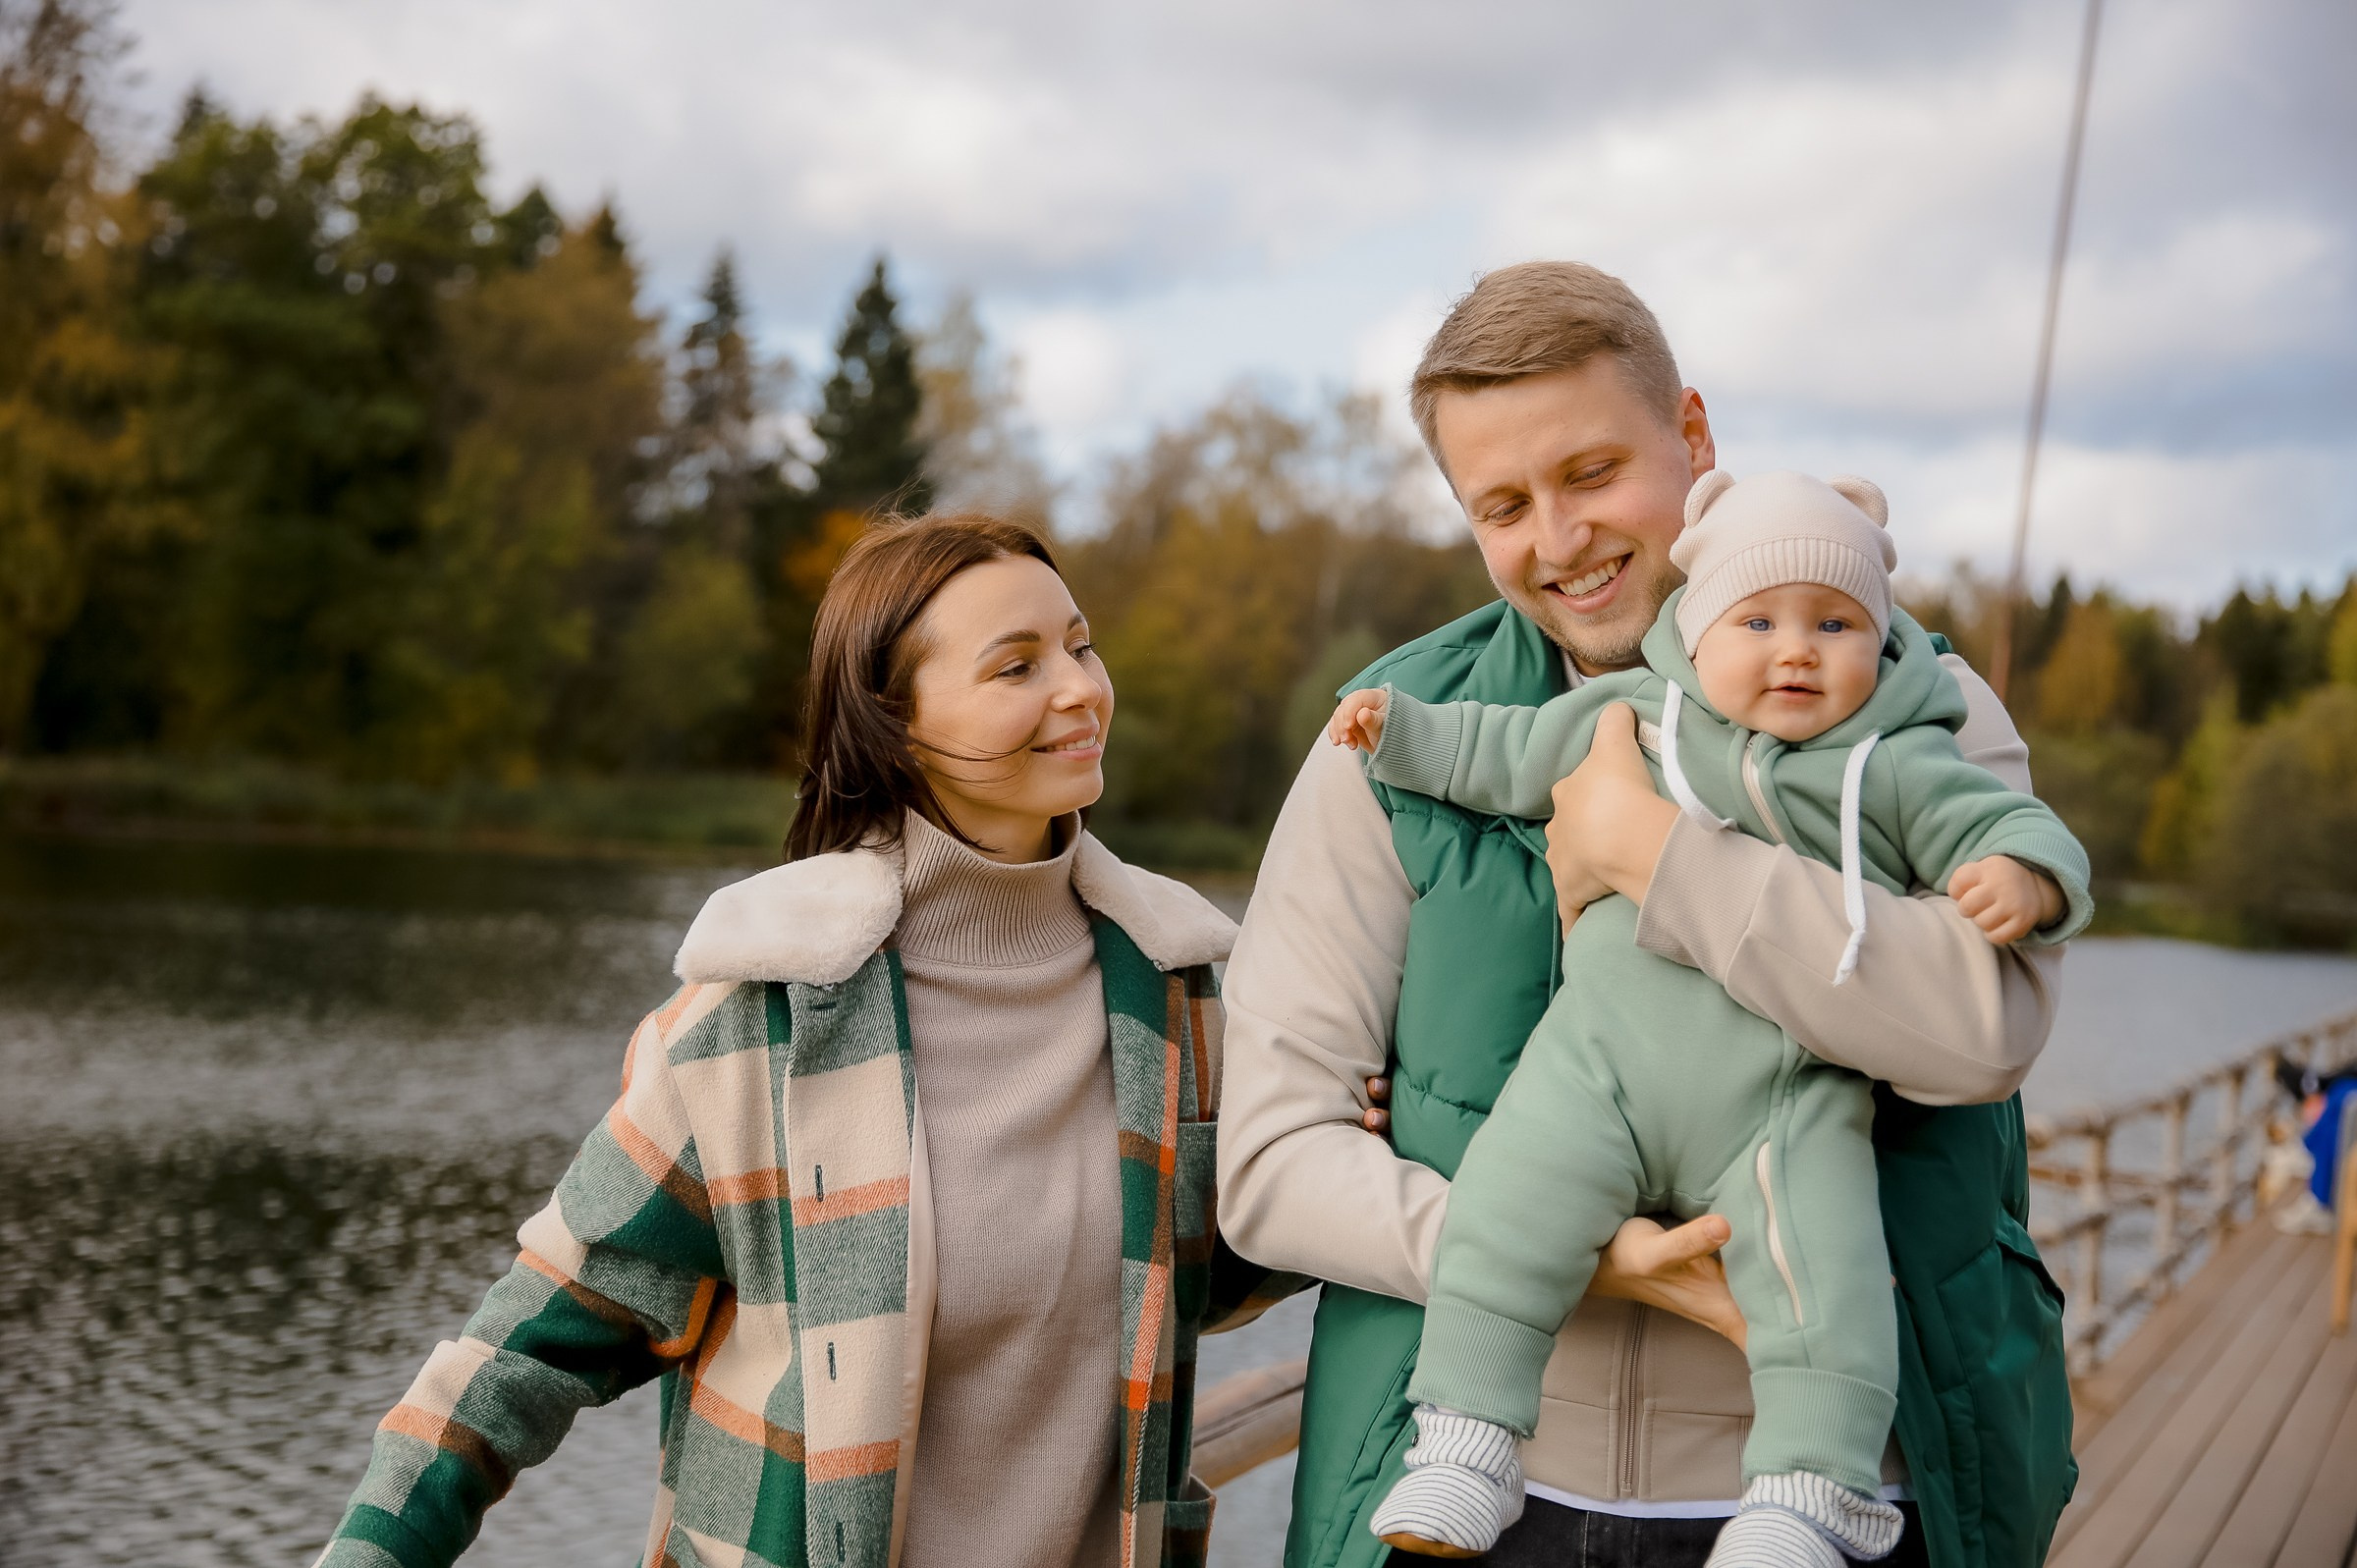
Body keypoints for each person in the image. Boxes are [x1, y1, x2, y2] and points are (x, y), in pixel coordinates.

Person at [1216, 262, 2077, 1568]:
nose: (1558, 539)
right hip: (1478, 1498)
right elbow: (1273, 1167)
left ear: (1692, 435)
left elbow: (1981, 1031)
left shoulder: (1915, 706)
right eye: (1502, 505)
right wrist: (1574, 1249)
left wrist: (1662, 856)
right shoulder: (1390, 737)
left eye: (1590, 472)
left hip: (1834, 1504)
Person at [313, 514, 1289, 1568]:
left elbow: (1193, 1274)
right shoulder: (762, 1016)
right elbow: (530, 1342)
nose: (1080, 688)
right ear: (895, 722)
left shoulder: (1174, 988)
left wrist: (1346, 1137)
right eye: (1017, 666)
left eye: (1081, 644)